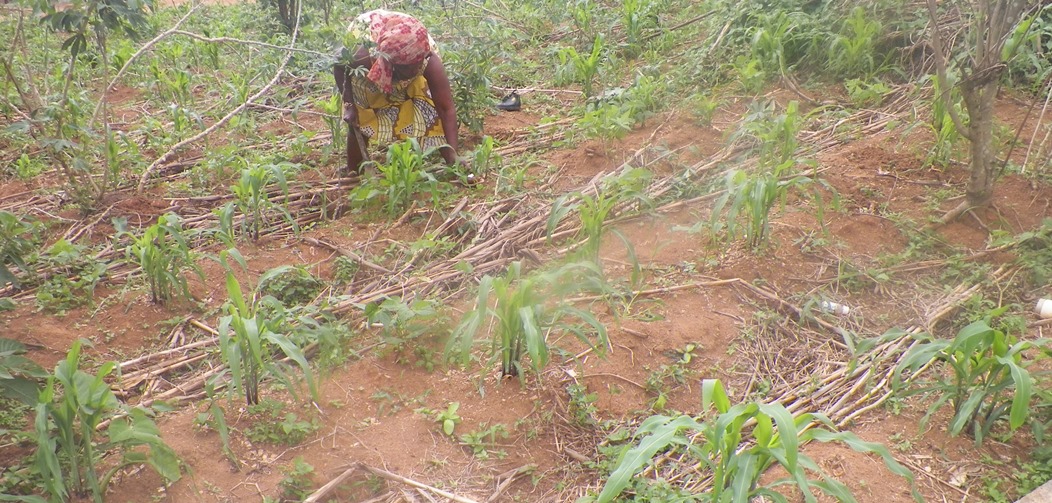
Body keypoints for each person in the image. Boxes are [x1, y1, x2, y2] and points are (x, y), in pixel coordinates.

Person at [333, 9, 461, 175]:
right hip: (373, 54)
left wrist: (455, 154)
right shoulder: (363, 56)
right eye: (411, 66)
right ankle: (354, 169)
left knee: (427, 102)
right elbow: (339, 66)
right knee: (361, 113)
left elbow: (445, 108)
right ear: (393, 65)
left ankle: (451, 159)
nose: (417, 68)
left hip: (403, 36)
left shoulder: (426, 58)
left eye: (419, 63)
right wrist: (349, 105)